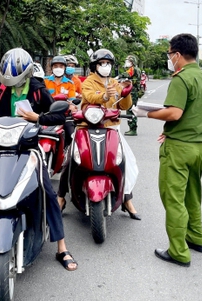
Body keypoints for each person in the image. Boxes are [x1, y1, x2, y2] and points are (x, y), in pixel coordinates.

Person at [0, 48, 78, 272]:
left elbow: (59, 114)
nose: (13, 84)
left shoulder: (38, 89)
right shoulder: (0, 89)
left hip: (30, 149)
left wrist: (38, 118)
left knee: (47, 192)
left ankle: (62, 247)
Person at [132, 33, 202, 267]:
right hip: (200, 148)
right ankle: (197, 238)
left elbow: (175, 113)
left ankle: (179, 252)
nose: (170, 58)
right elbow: (194, 113)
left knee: (174, 200)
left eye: (170, 54)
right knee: (192, 195)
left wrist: (146, 113)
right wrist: (171, 129)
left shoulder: (181, 79)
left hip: (179, 149)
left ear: (177, 55)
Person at [57, 48, 141, 220]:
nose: (105, 66)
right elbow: (88, 96)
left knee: (125, 161)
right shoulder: (88, 81)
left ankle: (126, 199)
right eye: (102, 63)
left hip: (111, 128)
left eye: (108, 64)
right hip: (86, 127)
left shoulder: (116, 83)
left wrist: (125, 93)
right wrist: (104, 95)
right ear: (95, 66)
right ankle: (61, 197)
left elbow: (124, 106)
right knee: (70, 159)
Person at [43, 55, 77, 147]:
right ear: (52, 68)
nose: (58, 68)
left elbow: (72, 100)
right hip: (48, 115)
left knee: (72, 137)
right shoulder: (45, 81)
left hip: (65, 116)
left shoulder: (70, 84)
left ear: (65, 68)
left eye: (61, 66)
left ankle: (68, 156)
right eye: (55, 66)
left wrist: (72, 105)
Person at [118, 54, 143, 136]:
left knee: (130, 110)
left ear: (132, 62)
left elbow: (126, 74)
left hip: (132, 92)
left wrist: (118, 76)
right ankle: (132, 128)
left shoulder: (133, 69)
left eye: (128, 61)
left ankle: (133, 129)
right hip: (135, 92)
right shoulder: (137, 69)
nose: (127, 62)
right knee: (132, 109)